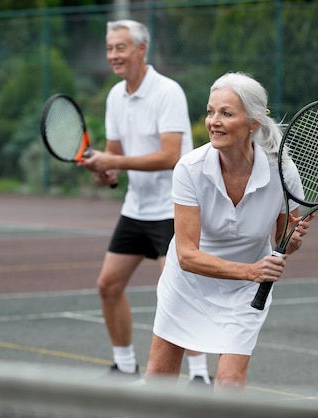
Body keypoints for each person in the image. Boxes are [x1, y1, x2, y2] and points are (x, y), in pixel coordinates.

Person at [144, 72, 314, 391]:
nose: (214, 121)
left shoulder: (284, 172)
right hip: (188, 284)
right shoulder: (189, 169)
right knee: (158, 380)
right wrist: (250, 271)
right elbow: (186, 256)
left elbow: (283, 244)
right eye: (210, 111)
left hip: (245, 293)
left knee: (229, 383)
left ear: (252, 123)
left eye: (226, 113)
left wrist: (292, 241)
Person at [77, 19, 210, 384]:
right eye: (109, 49)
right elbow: (116, 153)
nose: (113, 55)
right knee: (108, 284)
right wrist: (107, 171)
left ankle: (200, 375)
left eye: (120, 47)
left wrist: (114, 161)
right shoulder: (115, 96)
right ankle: (123, 364)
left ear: (141, 49)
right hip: (136, 208)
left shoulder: (168, 92)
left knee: (179, 292)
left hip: (173, 208)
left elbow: (170, 155)